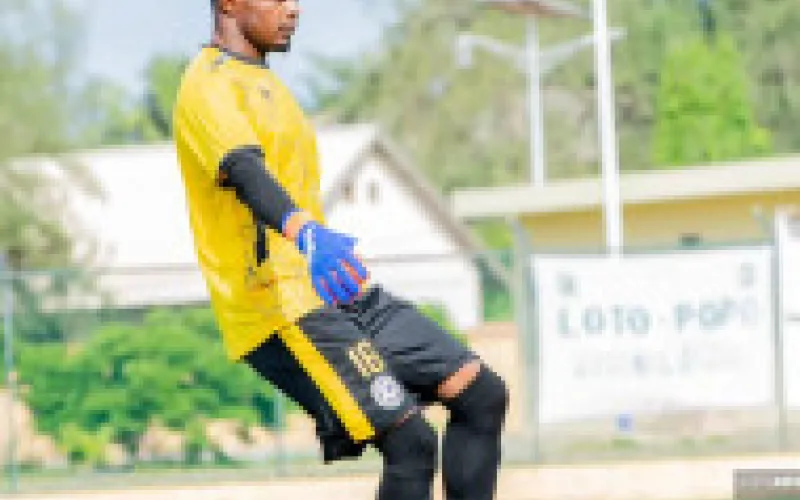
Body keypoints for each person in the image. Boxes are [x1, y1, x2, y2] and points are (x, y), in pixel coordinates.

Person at [172, 1, 509, 498]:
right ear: (228, 4)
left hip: (329, 290)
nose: (293, 8)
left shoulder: (266, 83)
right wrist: (307, 234)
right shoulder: (208, 85)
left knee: (481, 394)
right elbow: (245, 171)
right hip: (276, 307)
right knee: (412, 444)